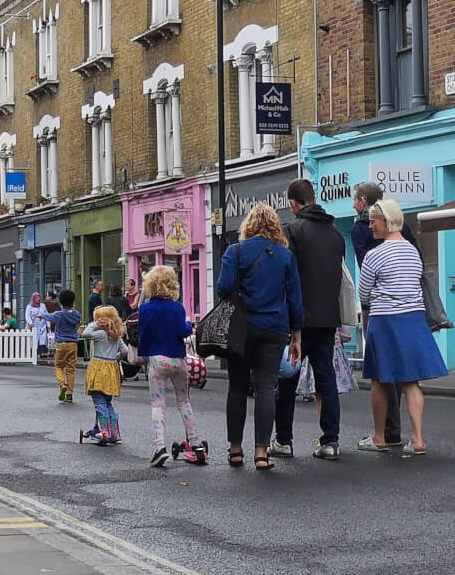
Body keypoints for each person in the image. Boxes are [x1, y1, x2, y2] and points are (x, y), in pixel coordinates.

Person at [216, 203, 303, 471]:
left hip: (241, 327)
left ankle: (235, 450)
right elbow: (295, 299)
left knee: (238, 387)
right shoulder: (284, 256)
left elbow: (223, 288)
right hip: (274, 328)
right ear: (275, 226)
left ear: (249, 225)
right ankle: (262, 453)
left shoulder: (236, 251)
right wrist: (296, 336)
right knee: (266, 389)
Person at [358, 199, 447, 456]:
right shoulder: (412, 252)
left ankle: (379, 437)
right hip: (413, 318)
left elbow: (364, 294)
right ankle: (418, 440)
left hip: (385, 320)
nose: (370, 226)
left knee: (379, 379)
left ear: (386, 221)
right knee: (411, 381)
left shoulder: (374, 255)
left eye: (373, 221)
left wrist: (379, 293)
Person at [272, 178, 344, 460]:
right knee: (327, 379)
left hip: (298, 319)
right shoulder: (336, 234)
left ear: (293, 204)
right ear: (313, 198)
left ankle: (284, 440)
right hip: (328, 318)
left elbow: (287, 277)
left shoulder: (293, 231)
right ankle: (330, 441)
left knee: (287, 379)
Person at [350, 179, 418, 448]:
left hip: (378, 309)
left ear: (364, 202)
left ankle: (388, 432)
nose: (353, 204)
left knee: (382, 370)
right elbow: (417, 260)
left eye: (355, 199)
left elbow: (366, 274)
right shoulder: (403, 228)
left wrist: (368, 301)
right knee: (406, 371)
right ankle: (415, 436)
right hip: (408, 306)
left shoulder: (360, 231)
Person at [139, 266, 206, 468]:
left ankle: (160, 447)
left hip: (157, 359)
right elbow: (183, 331)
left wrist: (144, 357)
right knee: (184, 401)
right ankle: (196, 444)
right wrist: (188, 325)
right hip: (178, 359)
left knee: (158, 404)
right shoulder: (178, 307)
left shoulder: (145, 309)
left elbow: (143, 334)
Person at [80, 305, 126, 443]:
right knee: (108, 402)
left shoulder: (100, 334)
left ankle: (104, 432)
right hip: (112, 368)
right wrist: (115, 358)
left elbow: (85, 334)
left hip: (99, 368)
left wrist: (94, 324)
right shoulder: (116, 336)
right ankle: (114, 433)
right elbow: (124, 351)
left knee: (99, 401)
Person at [44, 290, 82, 403]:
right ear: (73, 301)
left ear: (60, 302)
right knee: (71, 369)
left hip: (61, 344)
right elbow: (78, 321)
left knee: (58, 366)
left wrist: (40, 315)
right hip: (73, 344)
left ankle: (62, 384)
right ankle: (69, 394)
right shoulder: (76, 314)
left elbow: (49, 317)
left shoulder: (59, 314)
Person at [26, 292, 49, 358]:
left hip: (42, 325)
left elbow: (46, 315)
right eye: (36, 297)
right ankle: (34, 353)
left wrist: (48, 325)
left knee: (43, 339)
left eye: (39, 297)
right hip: (34, 325)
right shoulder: (29, 306)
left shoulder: (43, 306)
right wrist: (31, 324)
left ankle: (42, 353)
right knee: (34, 340)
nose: (38, 299)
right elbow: (27, 316)